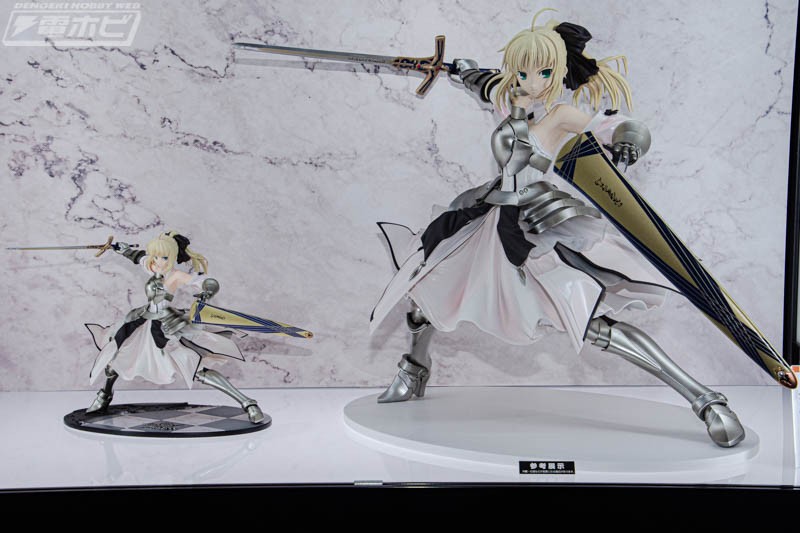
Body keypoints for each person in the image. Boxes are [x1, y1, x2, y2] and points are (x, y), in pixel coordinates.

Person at [369, 9, 744, 447]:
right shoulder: (509, 100)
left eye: (544, 72)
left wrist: (627, 142)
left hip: (532, 225)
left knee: (589, 321)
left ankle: (704, 399)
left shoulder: (560, 116)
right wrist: (460, 70)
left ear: (560, 71)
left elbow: (615, 126)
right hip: (486, 213)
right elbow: (484, 83)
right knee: (425, 289)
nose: (532, 81)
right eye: (523, 71)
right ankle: (414, 370)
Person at [85, 231, 265, 423]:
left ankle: (248, 403)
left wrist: (206, 292)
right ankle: (104, 396)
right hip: (142, 320)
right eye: (155, 256)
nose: (158, 261)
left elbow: (204, 281)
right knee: (115, 356)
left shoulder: (175, 275)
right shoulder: (154, 267)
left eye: (163, 257)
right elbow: (139, 257)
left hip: (167, 325)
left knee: (194, 367)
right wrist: (120, 248)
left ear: (171, 257)